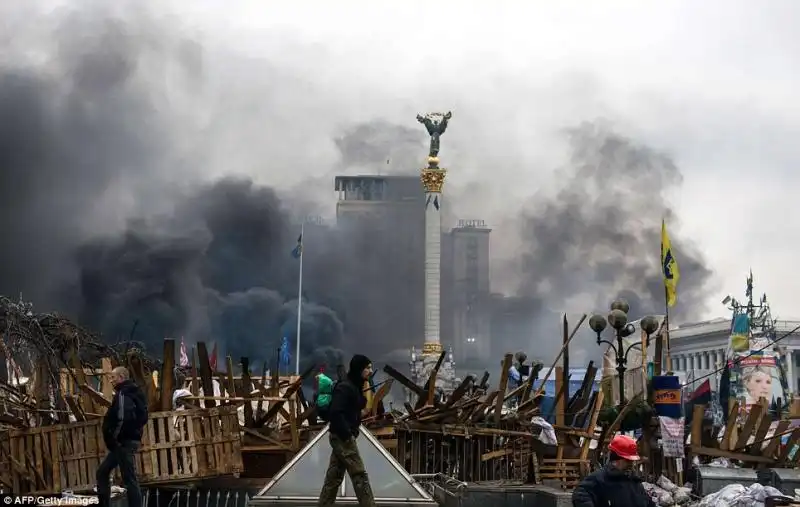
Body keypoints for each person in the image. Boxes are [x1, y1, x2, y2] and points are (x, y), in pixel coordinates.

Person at [318, 354, 377, 507]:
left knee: (333, 478)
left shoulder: (353, 386)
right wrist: (347, 434)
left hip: (341, 436)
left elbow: (357, 406)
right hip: (343, 437)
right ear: (359, 369)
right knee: (359, 475)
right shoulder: (345, 387)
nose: (370, 371)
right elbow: (336, 413)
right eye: (367, 368)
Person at [97, 366, 148, 507]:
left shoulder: (123, 394)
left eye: (113, 377)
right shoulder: (135, 392)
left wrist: (114, 438)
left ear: (121, 377)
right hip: (127, 441)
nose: (111, 380)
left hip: (122, 442)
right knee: (103, 472)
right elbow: (143, 417)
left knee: (129, 479)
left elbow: (122, 418)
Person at [572, 434, 655, 507]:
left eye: (632, 460)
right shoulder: (600, 478)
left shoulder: (635, 482)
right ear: (616, 460)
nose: (631, 463)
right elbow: (580, 495)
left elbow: (647, 503)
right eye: (628, 460)